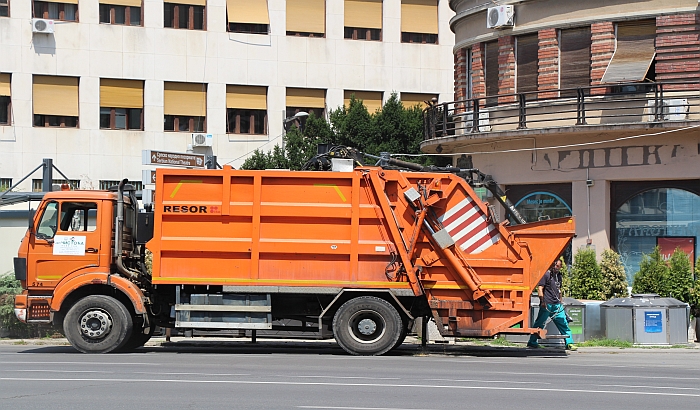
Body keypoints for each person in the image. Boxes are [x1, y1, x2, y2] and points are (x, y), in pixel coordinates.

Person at [527, 259, 577, 351]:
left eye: (558, 266)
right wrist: (542, 301)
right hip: (547, 304)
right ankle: (532, 342)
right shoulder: (546, 274)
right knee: (540, 323)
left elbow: (559, 291)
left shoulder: (559, 276)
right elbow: (540, 289)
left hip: (557, 305)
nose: (556, 267)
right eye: (555, 265)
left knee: (564, 324)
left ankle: (569, 343)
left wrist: (561, 303)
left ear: (561, 267)